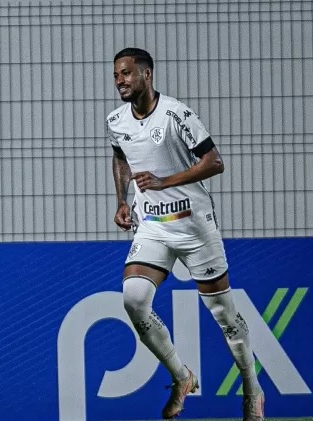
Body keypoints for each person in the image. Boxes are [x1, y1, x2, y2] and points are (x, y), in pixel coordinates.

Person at [106, 47, 264, 421]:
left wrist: (164, 181)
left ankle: (252, 388)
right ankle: (181, 376)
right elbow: (121, 156)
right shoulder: (116, 120)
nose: (120, 81)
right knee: (134, 298)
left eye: (127, 73)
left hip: (193, 225)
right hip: (153, 227)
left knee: (224, 314)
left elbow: (215, 162)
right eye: (116, 75)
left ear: (147, 74)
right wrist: (122, 200)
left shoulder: (177, 113)